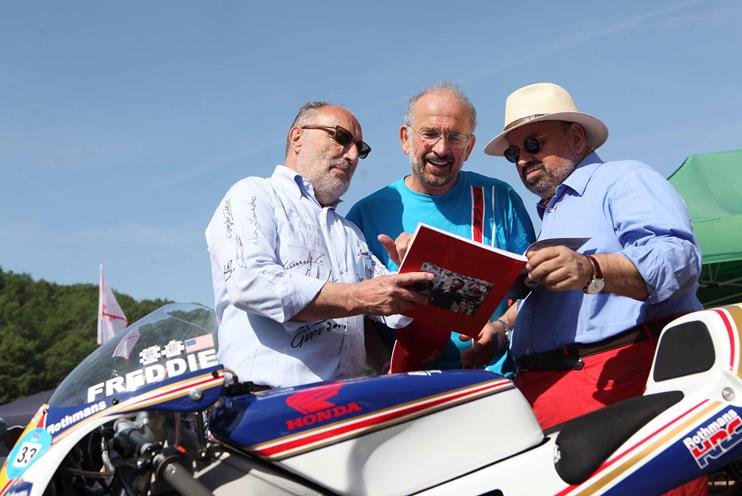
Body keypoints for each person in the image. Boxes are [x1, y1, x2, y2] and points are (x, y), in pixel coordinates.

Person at [467, 82, 706, 494]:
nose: (522, 159)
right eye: (513, 153)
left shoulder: (623, 178)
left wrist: (592, 268)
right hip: (559, 391)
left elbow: (677, 257)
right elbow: (562, 301)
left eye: (533, 143)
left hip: (617, 385)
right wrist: (502, 330)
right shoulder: (554, 212)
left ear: (577, 137)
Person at [205, 101, 433, 389]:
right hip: (266, 401)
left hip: (348, 401)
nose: (352, 155)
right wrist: (358, 296)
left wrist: (412, 275)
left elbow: (392, 312)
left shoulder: (349, 233)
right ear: (297, 137)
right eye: (341, 137)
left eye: (360, 148)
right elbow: (250, 283)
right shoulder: (253, 194)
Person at [347, 83, 535, 373]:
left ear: (469, 147)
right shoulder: (365, 215)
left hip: (495, 382)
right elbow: (355, 317)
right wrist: (385, 366)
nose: (442, 148)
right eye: (430, 133)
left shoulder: (500, 199)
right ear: (405, 138)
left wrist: (500, 329)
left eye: (455, 137)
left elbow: (532, 289)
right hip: (410, 388)